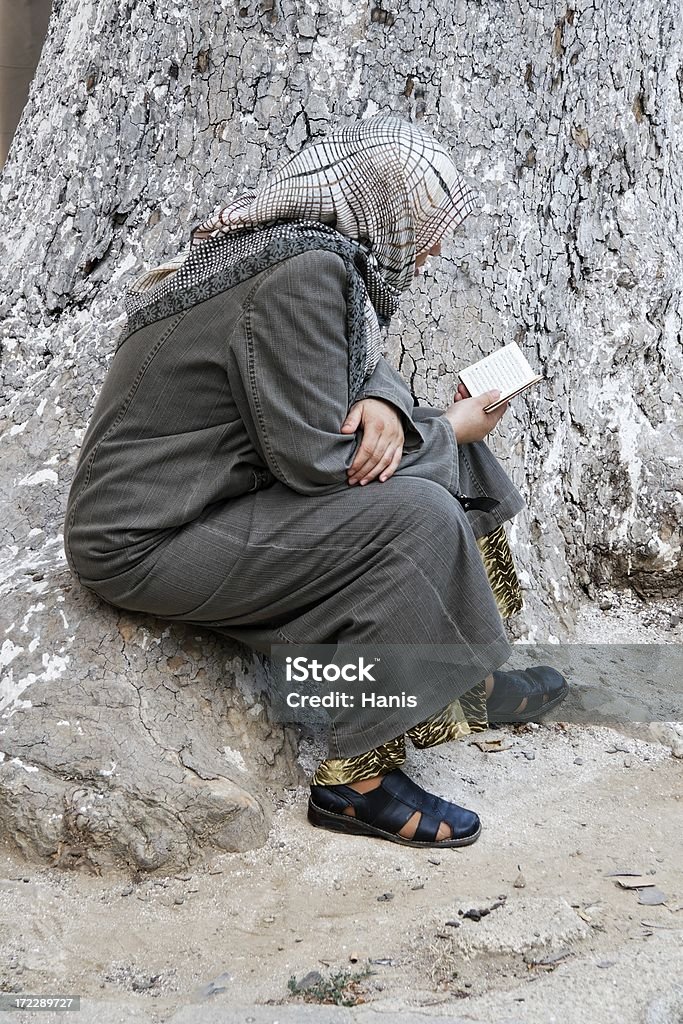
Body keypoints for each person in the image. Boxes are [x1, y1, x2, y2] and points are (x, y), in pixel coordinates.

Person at [63, 114, 567, 850]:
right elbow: (316, 463)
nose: (433, 247)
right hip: (149, 539)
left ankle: (461, 685)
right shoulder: (300, 272)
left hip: (214, 500)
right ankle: (354, 784)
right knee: (418, 509)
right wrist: (445, 427)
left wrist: (388, 403)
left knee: (444, 460)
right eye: (426, 225)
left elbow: (351, 359)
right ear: (383, 209)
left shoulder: (301, 252)